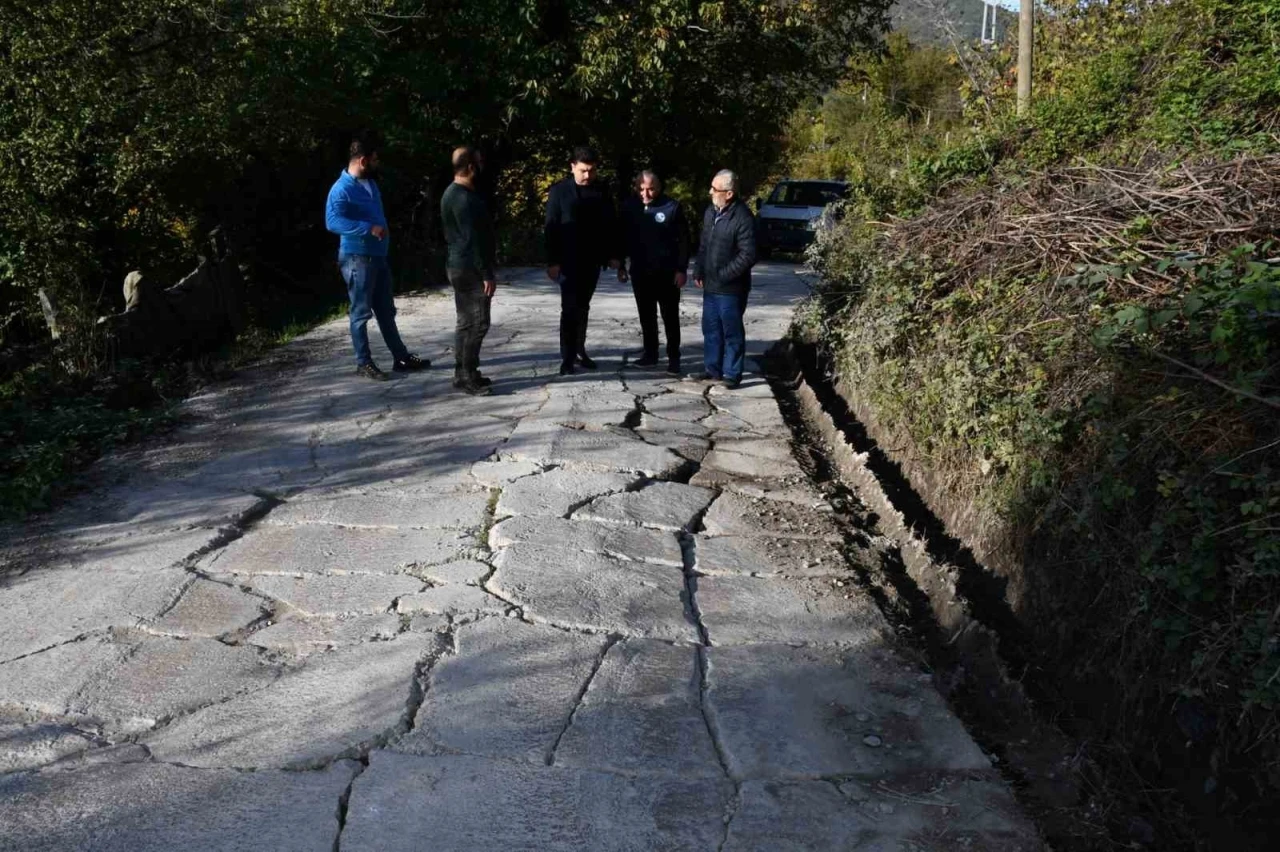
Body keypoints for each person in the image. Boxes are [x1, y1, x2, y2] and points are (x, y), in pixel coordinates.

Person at [325, 135, 429, 381]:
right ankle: (363, 362)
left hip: (378, 257)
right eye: (374, 159)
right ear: (363, 161)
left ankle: (401, 358)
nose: (377, 163)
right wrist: (367, 228)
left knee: (386, 310)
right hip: (357, 258)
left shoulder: (370, 184)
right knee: (361, 312)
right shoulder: (341, 189)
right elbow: (332, 222)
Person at [544, 146, 620, 375]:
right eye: (583, 170)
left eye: (592, 170)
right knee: (569, 308)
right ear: (572, 167)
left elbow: (611, 224)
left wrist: (614, 255)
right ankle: (567, 357)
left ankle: (579, 350)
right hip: (567, 261)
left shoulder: (601, 191)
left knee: (583, 307)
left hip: (592, 260)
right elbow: (551, 227)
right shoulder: (559, 191)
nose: (588, 175)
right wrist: (552, 261)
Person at [689, 169, 757, 389]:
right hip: (710, 286)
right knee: (711, 330)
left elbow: (748, 255)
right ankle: (712, 370)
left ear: (729, 193)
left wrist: (724, 275)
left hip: (731, 289)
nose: (710, 192)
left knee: (731, 332)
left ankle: (732, 374)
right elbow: (704, 245)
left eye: (715, 189)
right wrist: (698, 269)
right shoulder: (711, 212)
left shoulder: (743, 217)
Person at [618, 170, 689, 376]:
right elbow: (622, 238)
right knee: (646, 316)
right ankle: (650, 355)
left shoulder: (672, 207)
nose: (645, 193)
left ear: (659, 187)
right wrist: (621, 265)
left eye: (650, 189)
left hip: (667, 274)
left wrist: (681, 269)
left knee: (670, 317)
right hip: (640, 272)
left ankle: (674, 358)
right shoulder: (629, 207)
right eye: (641, 189)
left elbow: (684, 241)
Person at [440, 146, 497, 395]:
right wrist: (486, 274)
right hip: (469, 268)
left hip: (459, 265)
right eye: (479, 162)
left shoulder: (453, 192)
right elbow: (472, 240)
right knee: (478, 323)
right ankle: (466, 374)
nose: (482, 166)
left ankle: (464, 372)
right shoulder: (462, 198)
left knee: (465, 322)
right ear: (471, 167)